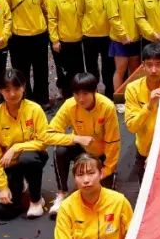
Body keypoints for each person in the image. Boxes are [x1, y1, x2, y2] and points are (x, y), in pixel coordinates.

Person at [46, 73, 121, 216]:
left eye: (85, 94)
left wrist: (107, 169)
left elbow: (113, 141)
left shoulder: (107, 106)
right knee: (60, 150)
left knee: (103, 200)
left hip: (101, 154)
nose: (80, 99)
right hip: (81, 148)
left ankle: (108, 175)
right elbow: (48, 134)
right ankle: (62, 192)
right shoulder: (69, 105)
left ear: (95, 92)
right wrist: (76, 138)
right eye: (76, 94)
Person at [0, 69, 50, 219]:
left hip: (32, 157)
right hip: (8, 164)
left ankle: (36, 200)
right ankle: (19, 183)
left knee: (28, 159)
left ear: (24, 87)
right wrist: (2, 187)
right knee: (4, 212)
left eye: (16, 88)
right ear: (0, 90)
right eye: (7, 90)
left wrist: (16, 147)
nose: (12, 94)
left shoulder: (34, 109)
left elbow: (44, 141)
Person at [5, 0, 50, 106]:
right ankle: (25, 100)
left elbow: (44, 7)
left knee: (41, 69)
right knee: (21, 70)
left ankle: (42, 100)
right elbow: (6, 11)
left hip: (39, 35)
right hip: (19, 37)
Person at [48, 0, 87, 95]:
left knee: (80, 71)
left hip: (81, 39)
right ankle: (67, 96)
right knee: (65, 71)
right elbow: (52, 19)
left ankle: (81, 94)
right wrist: (55, 40)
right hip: (63, 40)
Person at [106, 0, 142, 95]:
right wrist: (123, 35)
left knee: (134, 70)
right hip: (120, 39)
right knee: (120, 69)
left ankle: (133, 96)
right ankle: (119, 98)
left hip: (135, 38)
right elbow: (113, 17)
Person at [80, 0, 113, 96]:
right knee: (91, 67)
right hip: (89, 36)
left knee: (108, 67)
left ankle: (110, 93)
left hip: (108, 35)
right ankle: (93, 93)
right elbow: (80, 13)